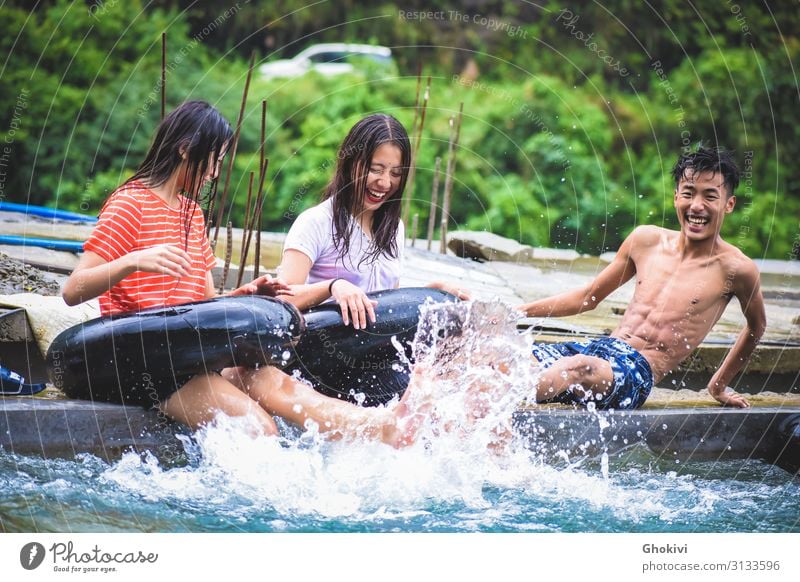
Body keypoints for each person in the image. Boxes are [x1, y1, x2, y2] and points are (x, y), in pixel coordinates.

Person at [62, 100, 419, 446]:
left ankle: (382, 427)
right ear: (186, 149)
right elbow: (73, 290)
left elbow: (201, 306)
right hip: (146, 359)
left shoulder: (191, 214)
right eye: (215, 160)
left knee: (270, 381)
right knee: (258, 429)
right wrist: (133, 260)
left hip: (187, 356)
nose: (216, 172)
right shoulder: (129, 203)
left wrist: (246, 296)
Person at [517, 146, 766, 409]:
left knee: (576, 367)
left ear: (729, 204)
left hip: (634, 373)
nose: (696, 206)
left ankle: (504, 400)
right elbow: (587, 298)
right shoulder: (645, 240)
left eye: (710, 196)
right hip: (598, 351)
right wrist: (514, 312)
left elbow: (756, 326)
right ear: (675, 197)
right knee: (508, 355)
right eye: (688, 194)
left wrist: (718, 384)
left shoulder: (736, 269)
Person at [278, 113, 468, 329]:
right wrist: (333, 287)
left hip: (376, 347)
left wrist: (431, 293)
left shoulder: (394, 228)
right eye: (375, 170)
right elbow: (280, 303)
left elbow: (388, 307)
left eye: (396, 173)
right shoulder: (315, 222)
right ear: (351, 164)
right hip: (325, 345)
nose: (385, 183)